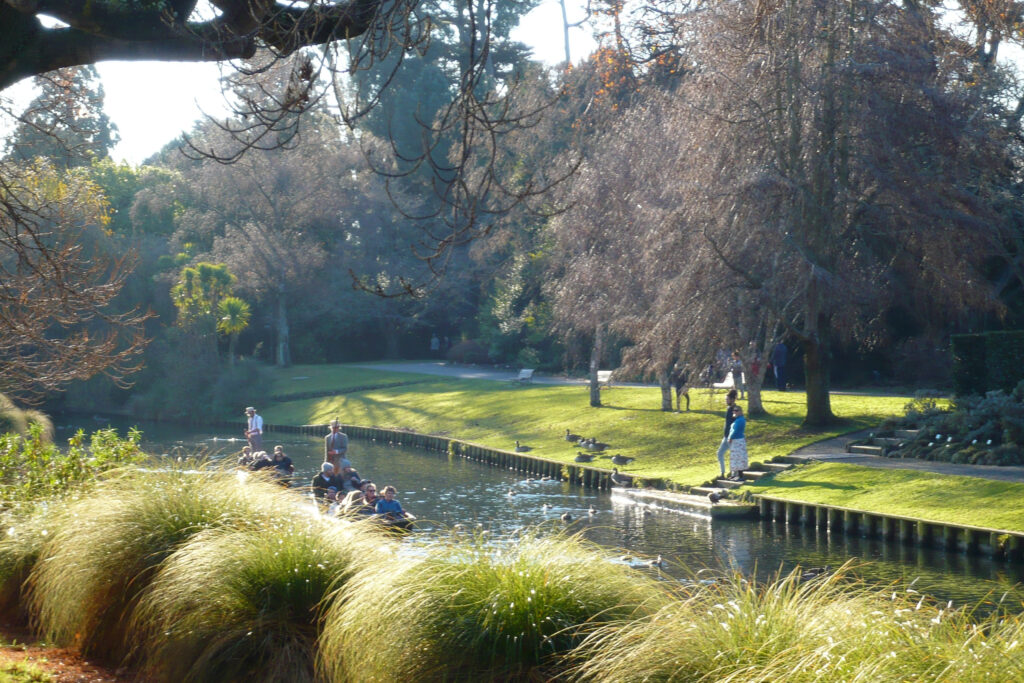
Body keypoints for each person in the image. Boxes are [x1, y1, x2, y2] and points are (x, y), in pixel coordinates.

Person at [715, 389, 738, 479]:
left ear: (732, 399)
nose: (726, 401)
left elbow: (736, 424)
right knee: (720, 453)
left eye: (727, 399)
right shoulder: (728, 409)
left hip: (731, 437)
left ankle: (734, 474)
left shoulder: (735, 410)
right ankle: (722, 473)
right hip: (726, 436)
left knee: (733, 455)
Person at [728, 405, 748, 481]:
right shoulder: (737, 419)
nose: (734, 412)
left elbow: (736, 430)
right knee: (735, 458)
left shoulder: (740, 420)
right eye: (734, 410)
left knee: (739, 457)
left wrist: (731, 437)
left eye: (736, 411)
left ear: (740, 412)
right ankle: (735, 475)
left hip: (738, 440)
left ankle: (741, 475)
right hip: (735, 441)